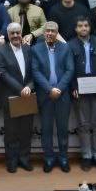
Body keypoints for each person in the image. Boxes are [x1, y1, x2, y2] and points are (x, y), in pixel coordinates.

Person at [31, 21, 74, 172]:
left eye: (53, 31)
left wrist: (59, 89)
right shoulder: (36, 49)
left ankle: (63, 157)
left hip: (62, 95)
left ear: (57, 33)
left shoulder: (66, 47)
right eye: (47, 31)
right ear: (43, 33)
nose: (50, 33)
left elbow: (70, 70)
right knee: (46, 129)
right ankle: (48, 157)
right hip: (45, 95)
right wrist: (50, 89)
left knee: (63, 129)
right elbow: (35, 71)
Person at [0, 24, 34, 172]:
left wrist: (29, 86)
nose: (15, 35)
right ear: (8, 35)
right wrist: (20, 89)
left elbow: (35, 71)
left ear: (21, 33)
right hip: (10, 97)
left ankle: (24, 159)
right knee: (11, 132)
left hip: (27, 96)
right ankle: (12, 161)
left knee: (26, 130)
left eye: (18, 32)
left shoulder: (28, 49)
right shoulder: (1, 52)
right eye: (12, 33)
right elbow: (3, 74)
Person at [71, 16, 96, 171]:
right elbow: (69, 68)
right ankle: (86, 156)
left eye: (86, 26)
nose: (83, 28)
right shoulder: (70, 45)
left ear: (90, 27)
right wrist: (73, 87)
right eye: (80, 26)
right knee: (83, 125)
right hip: (80, 90)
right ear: (76, 29)